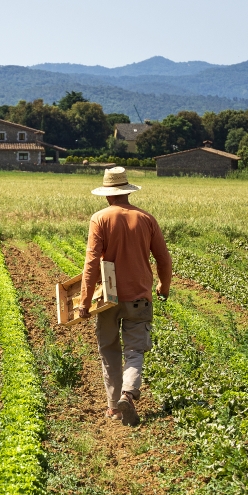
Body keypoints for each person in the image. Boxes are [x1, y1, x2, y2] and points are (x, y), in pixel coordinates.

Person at [77, 167, 172, 426]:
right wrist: (163, 287)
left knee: (108, 349)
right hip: (139, 296)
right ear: (127, 191)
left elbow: (91, 263)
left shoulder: (100, 218)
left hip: (107, 297)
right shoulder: (146, 219)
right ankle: (128, 393)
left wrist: (84, 302)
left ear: (108, 194)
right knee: (135, 349)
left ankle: (114, 408)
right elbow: (163, 259)